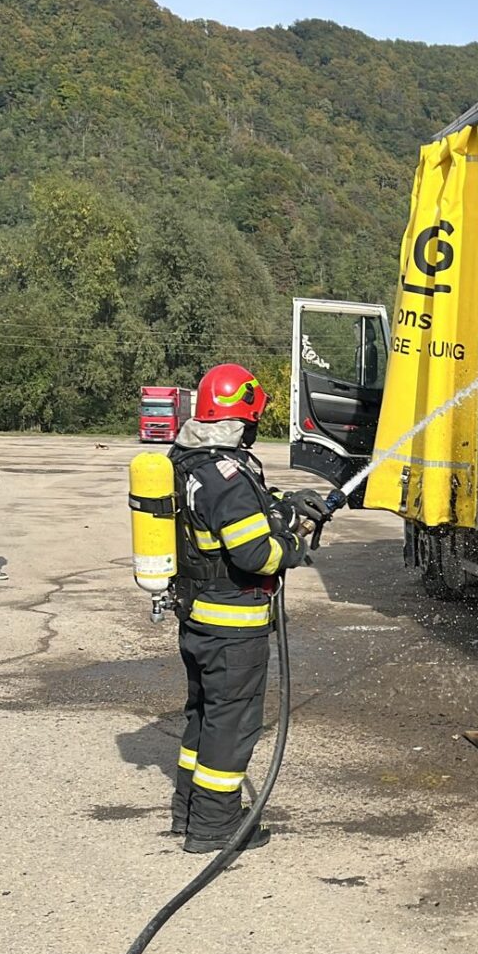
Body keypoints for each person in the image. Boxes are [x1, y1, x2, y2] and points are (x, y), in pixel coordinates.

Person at [169, 363, 306, 854]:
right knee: (232, 723)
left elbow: (246, 512)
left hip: (200, 619)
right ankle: (215, 827)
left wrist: (289, 505)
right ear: (243, 417)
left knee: (204, 716)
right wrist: (292, 544)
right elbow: (255, 554)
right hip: (233, 626)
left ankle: (187, 810)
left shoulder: (193, 462)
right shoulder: (226, 474)